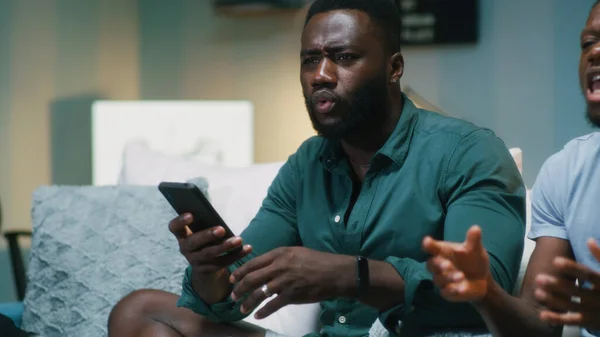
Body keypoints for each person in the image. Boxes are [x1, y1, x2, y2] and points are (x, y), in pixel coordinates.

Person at [108, 0, 526, 336]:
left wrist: (352, 275)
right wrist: (209, 270)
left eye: (343, 57)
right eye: (311, 60)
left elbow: (487, 286)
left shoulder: (469, 152)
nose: (321, 75)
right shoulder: (307, 163)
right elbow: (238, 287)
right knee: (139, 311)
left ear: (393, 69)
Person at [422, 2, 600, 337]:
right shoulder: (565, 172)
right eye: (587, 43)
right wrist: (486, 293)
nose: (595, 52)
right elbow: (540, 327)